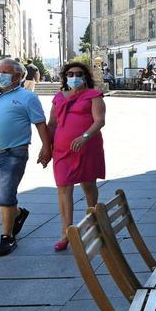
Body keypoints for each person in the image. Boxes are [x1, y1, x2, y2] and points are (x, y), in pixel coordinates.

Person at [0, 59, 50, 257]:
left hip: (14, 154)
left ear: (17, 76)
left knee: (6, 195)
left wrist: (47, 147)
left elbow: (40, 124)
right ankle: (18, 214)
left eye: (6, 72)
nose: (0, 75)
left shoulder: (27, 97)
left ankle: (7, 237)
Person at [49, 62, 106, 252]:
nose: (74, 77)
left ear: (85, 76)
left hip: (87, 148)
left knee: (88, 185)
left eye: (79, 74)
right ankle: (66, 233)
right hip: (62, 151)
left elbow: (100, 120)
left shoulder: (94, 95)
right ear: (65, 77)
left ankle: (93, 221)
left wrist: (85, 137)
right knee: (63, 188)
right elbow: (52, 124)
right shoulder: (58, 98)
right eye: (70, 74)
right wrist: (46, 147)